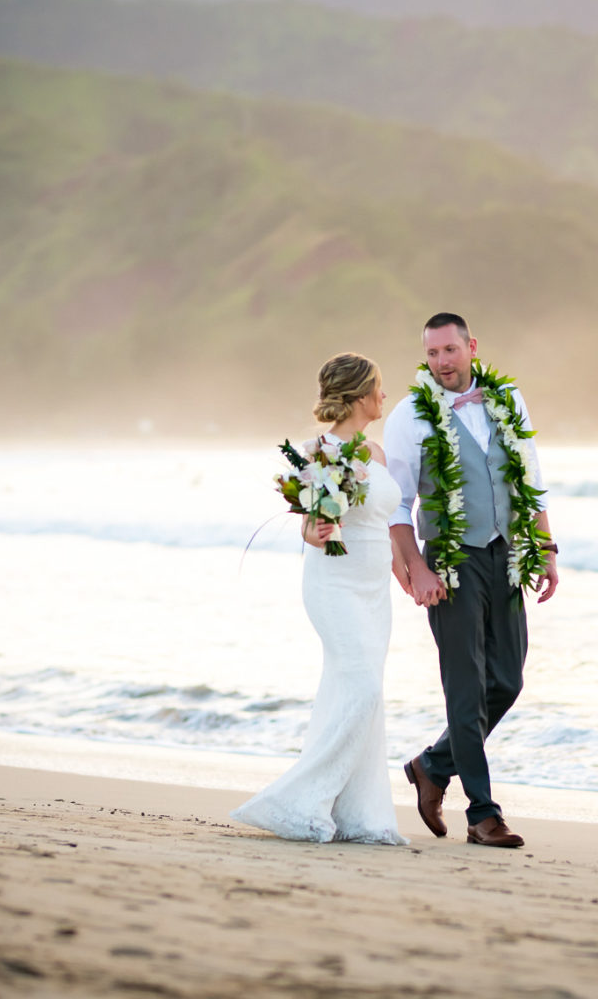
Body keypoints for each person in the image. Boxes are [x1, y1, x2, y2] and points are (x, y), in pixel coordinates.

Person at [384, 313, 559, 849]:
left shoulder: (509, 401)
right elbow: (397, 504)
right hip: (451, 562)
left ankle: (432, 766)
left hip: (506, 554)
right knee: (465, 690)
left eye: (450, 351)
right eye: (432, 354)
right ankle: (483, 814)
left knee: (506, 680)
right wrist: (417, 568)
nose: (441, 362)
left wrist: (545, 548)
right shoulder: (409, 416)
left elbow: (530, 478)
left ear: (470, 347)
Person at [230, 353, 408, 845]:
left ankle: (360, 815)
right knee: (363, 688)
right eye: (378, 387)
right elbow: (309, 525)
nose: (384, 396)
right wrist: (315, 529)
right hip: (334, 585)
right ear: (358, 395)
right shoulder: (315, 453)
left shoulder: (374, 453)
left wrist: (407, 571)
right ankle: (295, 800)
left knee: (356, 693)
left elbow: (384, 522)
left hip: (376, 592)